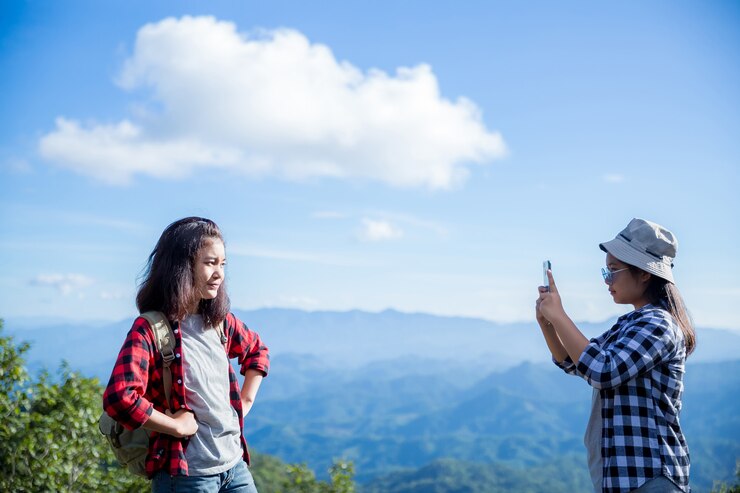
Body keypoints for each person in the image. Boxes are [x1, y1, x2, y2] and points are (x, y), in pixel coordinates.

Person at [103, 217, 269, 493]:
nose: (219, 274)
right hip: (186, 476)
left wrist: (245, 401)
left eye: (223, 263)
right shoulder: (151, 329)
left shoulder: (220, 322)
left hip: (235, 465)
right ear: (181, 266)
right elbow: (119, 397)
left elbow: (257, 351)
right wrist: (175, 427)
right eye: (210, 263)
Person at [535, 218, 695, 493]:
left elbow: (602, 370)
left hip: (651, 478)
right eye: (605, 271)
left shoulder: (658, 324)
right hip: (627, 480)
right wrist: (547, 323)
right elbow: (574, 362)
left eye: (613, 271)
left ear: (644, 273)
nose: (607, 280)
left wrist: (560, 315)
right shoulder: (630, 324)